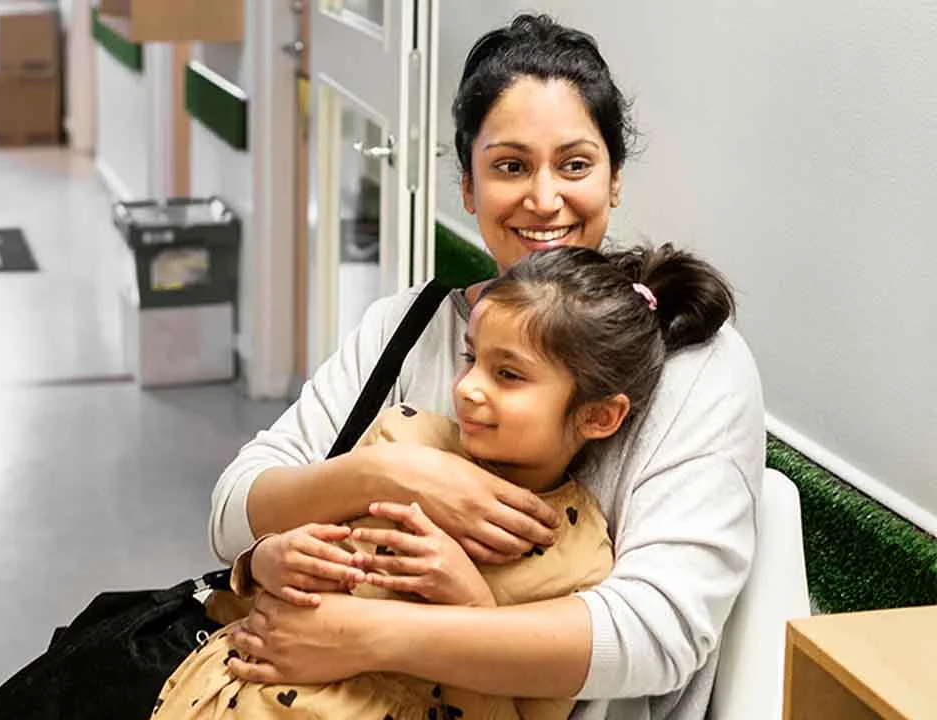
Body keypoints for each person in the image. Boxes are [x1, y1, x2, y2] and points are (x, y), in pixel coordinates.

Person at [208, 14, 765, 720]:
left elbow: (656, 632)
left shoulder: (695, 369)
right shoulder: (404, 328)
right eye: (509, 166)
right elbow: (233, 512)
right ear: (467, 187)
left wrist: (369, 637)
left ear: (614, 179)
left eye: (574, 164)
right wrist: (392, 472)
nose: (543, 198)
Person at [154, 245, 735, 720]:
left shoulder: (578, 558)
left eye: (507, 374)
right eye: (469, 358)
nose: (468, 388)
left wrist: (471, 603)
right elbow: (268, 577)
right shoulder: (404, 436)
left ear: (599, 416)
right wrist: (265, 562)